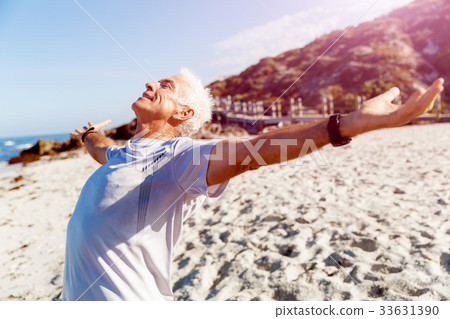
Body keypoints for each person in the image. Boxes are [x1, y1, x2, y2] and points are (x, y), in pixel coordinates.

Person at [63, 67, 444, 300]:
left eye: (164, 84)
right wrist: (90, 136)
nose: (150, 83)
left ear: (184, 113)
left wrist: (345, 125)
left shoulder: (179, 158)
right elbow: (103, 149)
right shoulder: (122, 154)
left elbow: (253, 150)